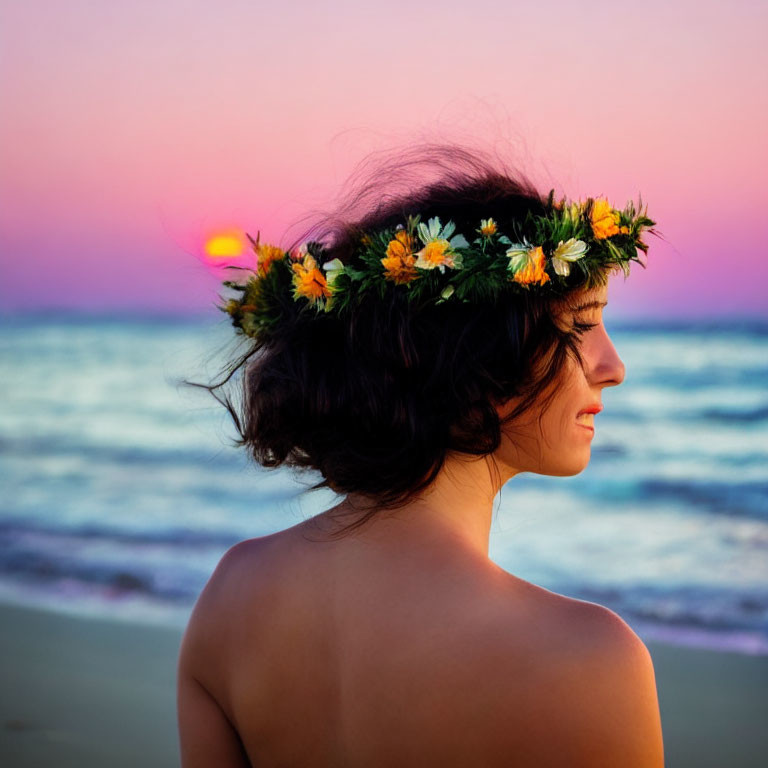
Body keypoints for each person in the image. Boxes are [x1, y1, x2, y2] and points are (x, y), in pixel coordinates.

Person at [177, 144, 665, 767]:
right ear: (471, 353)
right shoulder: (587, 660)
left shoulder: (231, 597)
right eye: (578, 326)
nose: (613, 368)